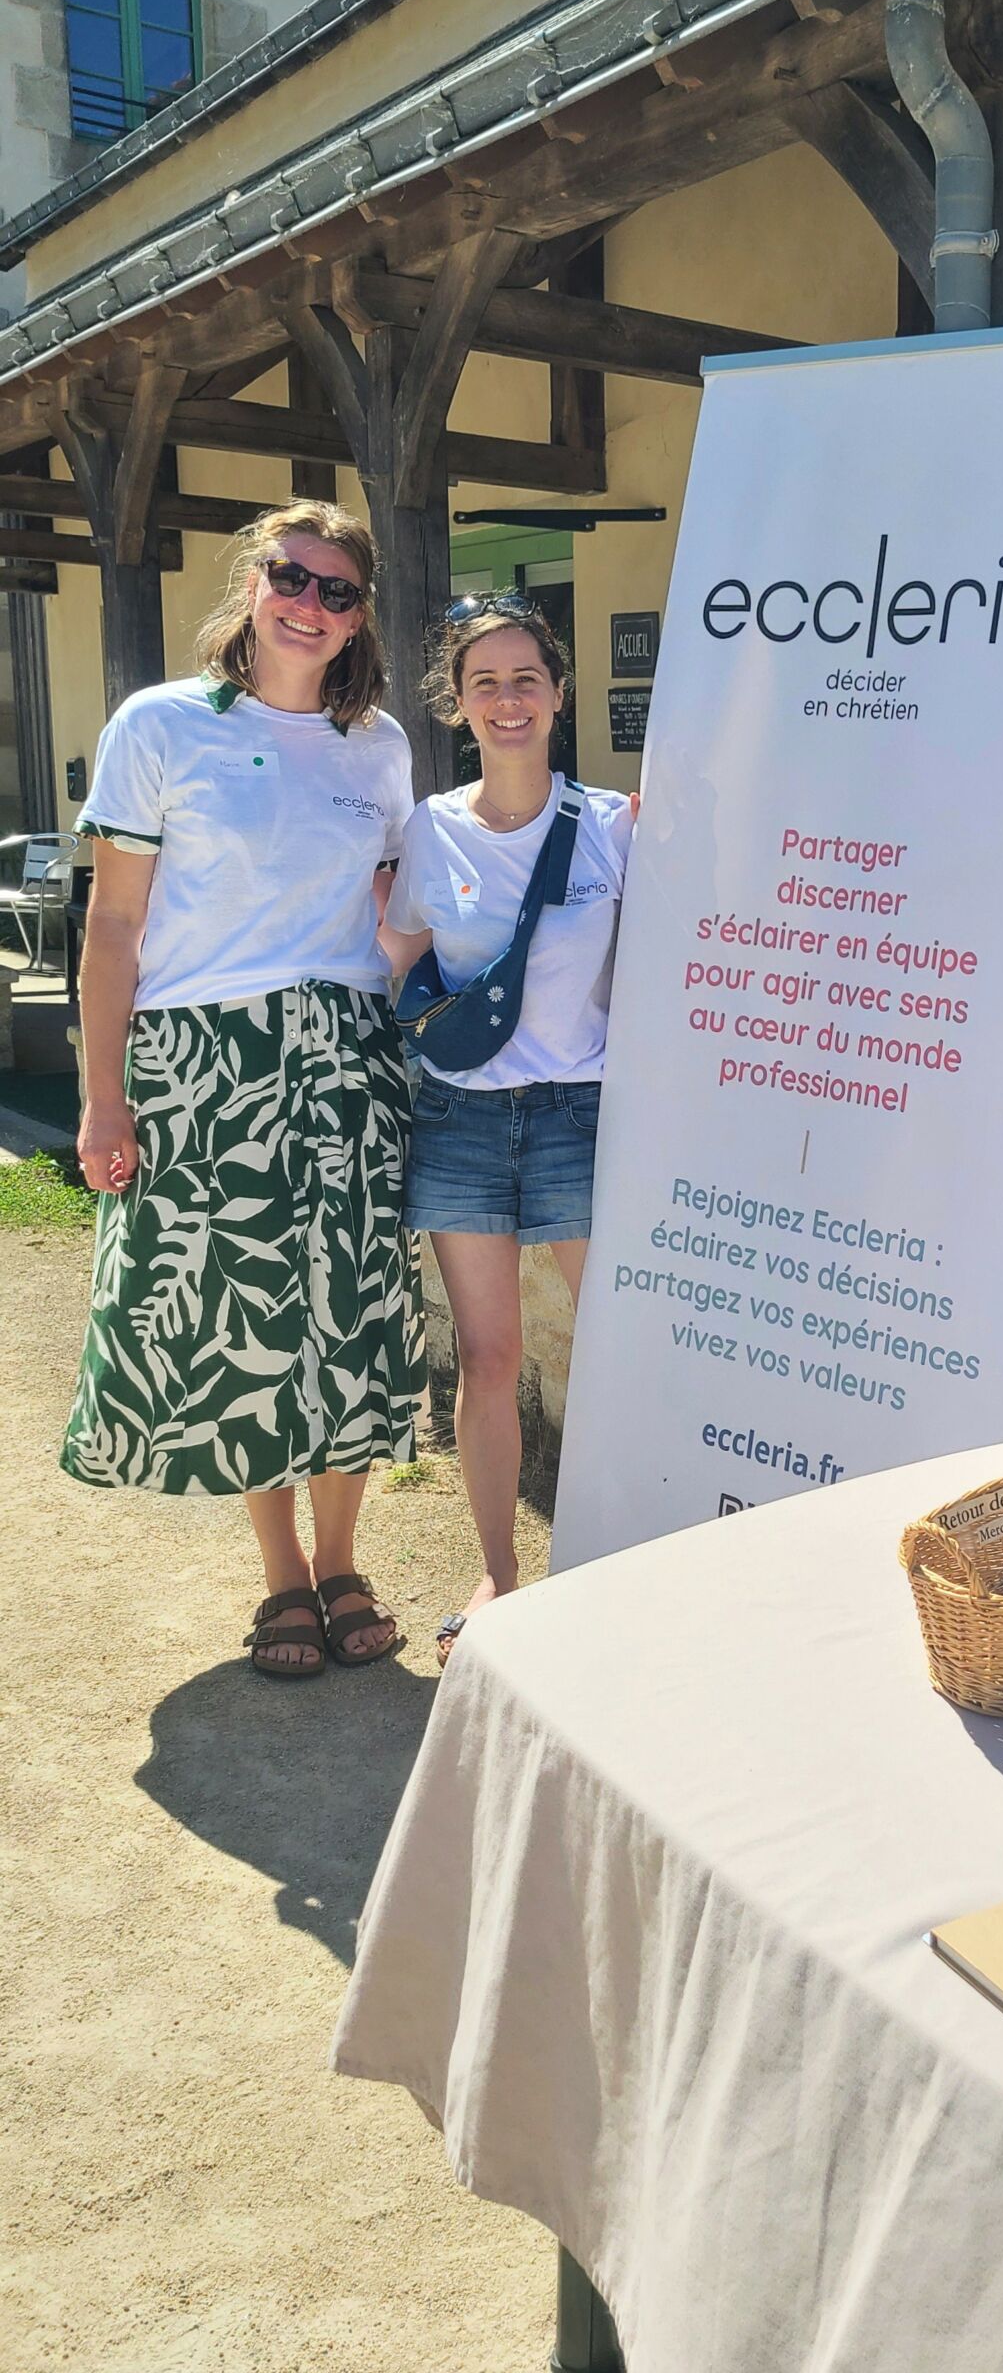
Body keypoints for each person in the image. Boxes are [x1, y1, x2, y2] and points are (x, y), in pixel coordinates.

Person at [65, 502, 418, 1677]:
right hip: (204, 1063)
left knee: (349, 1314)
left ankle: (342, 1556)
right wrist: (103, 1097)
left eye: (338, 592)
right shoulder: (163, 725)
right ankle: (281, 1575)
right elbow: (112, 927)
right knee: (241, 1320)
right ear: (255, 583)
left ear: (361, 616)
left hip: (348, 1057)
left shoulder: (379, 746)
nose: (310, 606)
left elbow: (389, 916)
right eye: (293, 578)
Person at [383, 594, 636, 1664]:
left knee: (619, 1352)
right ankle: (498, 1571)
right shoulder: (429, 829)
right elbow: (398, 966)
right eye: (484, 682)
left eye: (526, 677)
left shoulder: (616, 824)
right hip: (463, 1117)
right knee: (487, 1360)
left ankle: (621, 1564)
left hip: (583, 1111)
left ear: (559, 693)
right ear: (459, 704)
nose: (508, 698)